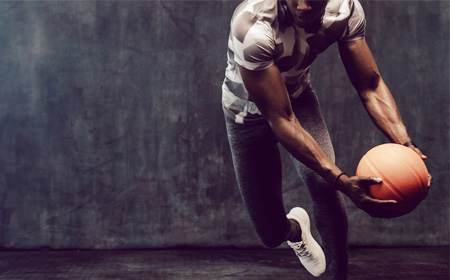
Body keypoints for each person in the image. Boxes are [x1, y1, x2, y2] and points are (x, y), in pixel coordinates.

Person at [221, 0, 432, 279]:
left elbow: (369, 85)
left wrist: (407, 146)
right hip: (246, 117)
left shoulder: (345, 10)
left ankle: (339, 273)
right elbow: (281, 119)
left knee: (324, 184)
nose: (305, 7)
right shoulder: (252, 25)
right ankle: (295, 229)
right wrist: (343, 180)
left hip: (298, 99)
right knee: (271, 234)